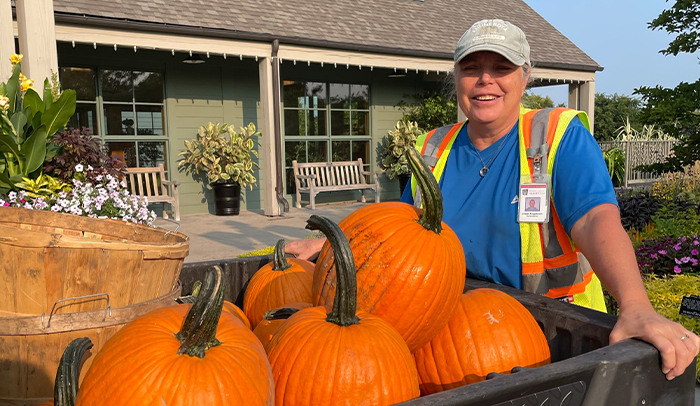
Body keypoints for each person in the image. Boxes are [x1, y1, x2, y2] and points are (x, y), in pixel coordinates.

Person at [287, 18, 699, 380]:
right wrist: (334, 244)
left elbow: (595, 219)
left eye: (501, 68)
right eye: (471, 69)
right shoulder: (434, 147)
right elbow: (395, 233)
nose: (486, 80)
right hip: (448, 333)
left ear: (525, 77)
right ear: (457, 79)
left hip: (552, 335)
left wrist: (636, 305)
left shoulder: (556, 135)